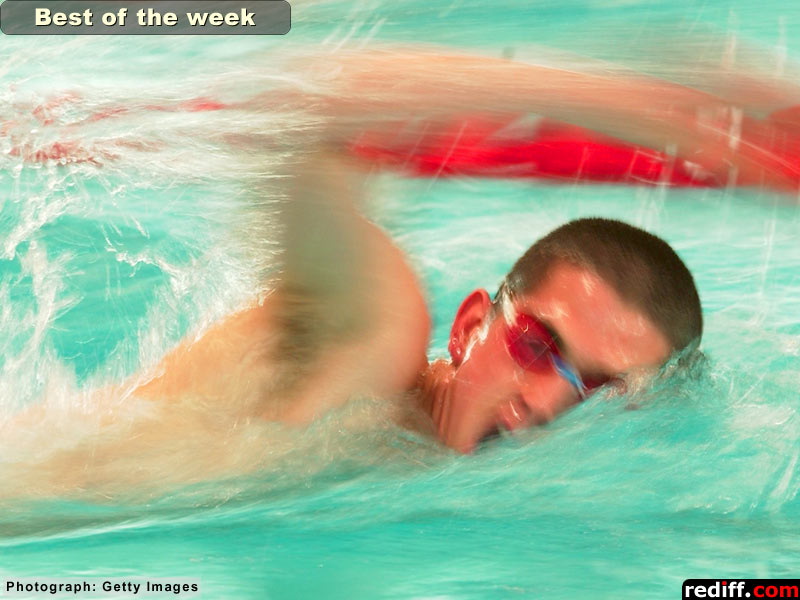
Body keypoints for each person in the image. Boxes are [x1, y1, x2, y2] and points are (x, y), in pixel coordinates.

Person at [3, 44, 776, 496]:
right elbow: (311, 110)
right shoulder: (376, 338)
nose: (545, 405)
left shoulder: (419, 466)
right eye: (538, 346)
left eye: (599, 392)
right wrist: (637, 108)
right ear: (469, 327)